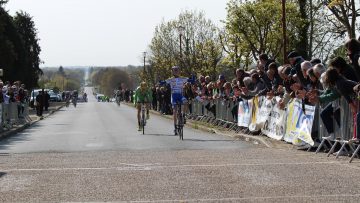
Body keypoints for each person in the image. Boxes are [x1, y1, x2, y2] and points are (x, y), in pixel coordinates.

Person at [160, 66, 194, 135]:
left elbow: (192, 81)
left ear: (179, 71)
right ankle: (175, 127)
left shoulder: (182, 78)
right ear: (172, 72)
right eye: (174, 70)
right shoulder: (170, 79)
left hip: (180, 95)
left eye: (177, 70)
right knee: (175, 111)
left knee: (186, 102)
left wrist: (193, 76)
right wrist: (161, 81)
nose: (176, 71)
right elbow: (162, 83)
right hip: (174, 96)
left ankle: (183, 115)